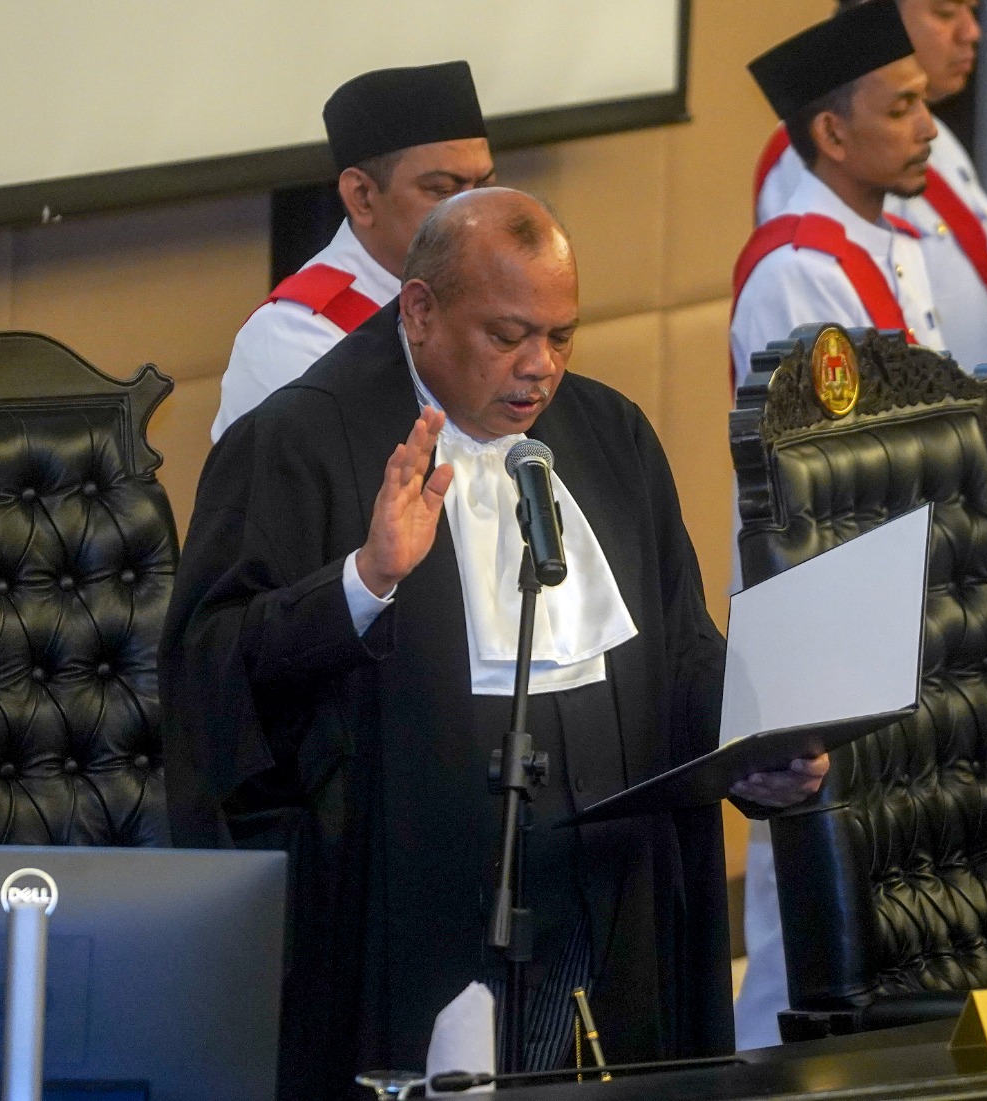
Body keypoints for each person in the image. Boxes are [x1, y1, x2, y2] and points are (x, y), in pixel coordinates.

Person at [163, 188, 825, 1099]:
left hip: (609, 897)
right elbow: (211, 667)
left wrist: (752, 742)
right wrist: (364, 581)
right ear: (420, 310)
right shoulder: (298, 440)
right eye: (508, 335)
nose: (539, 367)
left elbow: (678, 650)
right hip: (413, 917)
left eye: (561, 335)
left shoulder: (612, 435)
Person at [728, 0, 941, 1050]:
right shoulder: (797, 267)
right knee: (804, 902)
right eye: (900, 108)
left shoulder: (892, 244)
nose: (928, 127)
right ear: (830, 131)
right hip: (824, 609)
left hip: (893, 598)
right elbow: (818, 474)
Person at [753, 0, 987, 514]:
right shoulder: (807, 213)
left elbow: (976, 318)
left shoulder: (934, 148)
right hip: (891, 515)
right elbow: (831, 440)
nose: (972, 32)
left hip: (956, 493)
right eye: (944, 12)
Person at [210, 61, 495, 440]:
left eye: (484, 187)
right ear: (362, 196)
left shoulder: (499, 296)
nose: (473, 214)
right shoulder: (295, 335)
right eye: (442, 190)